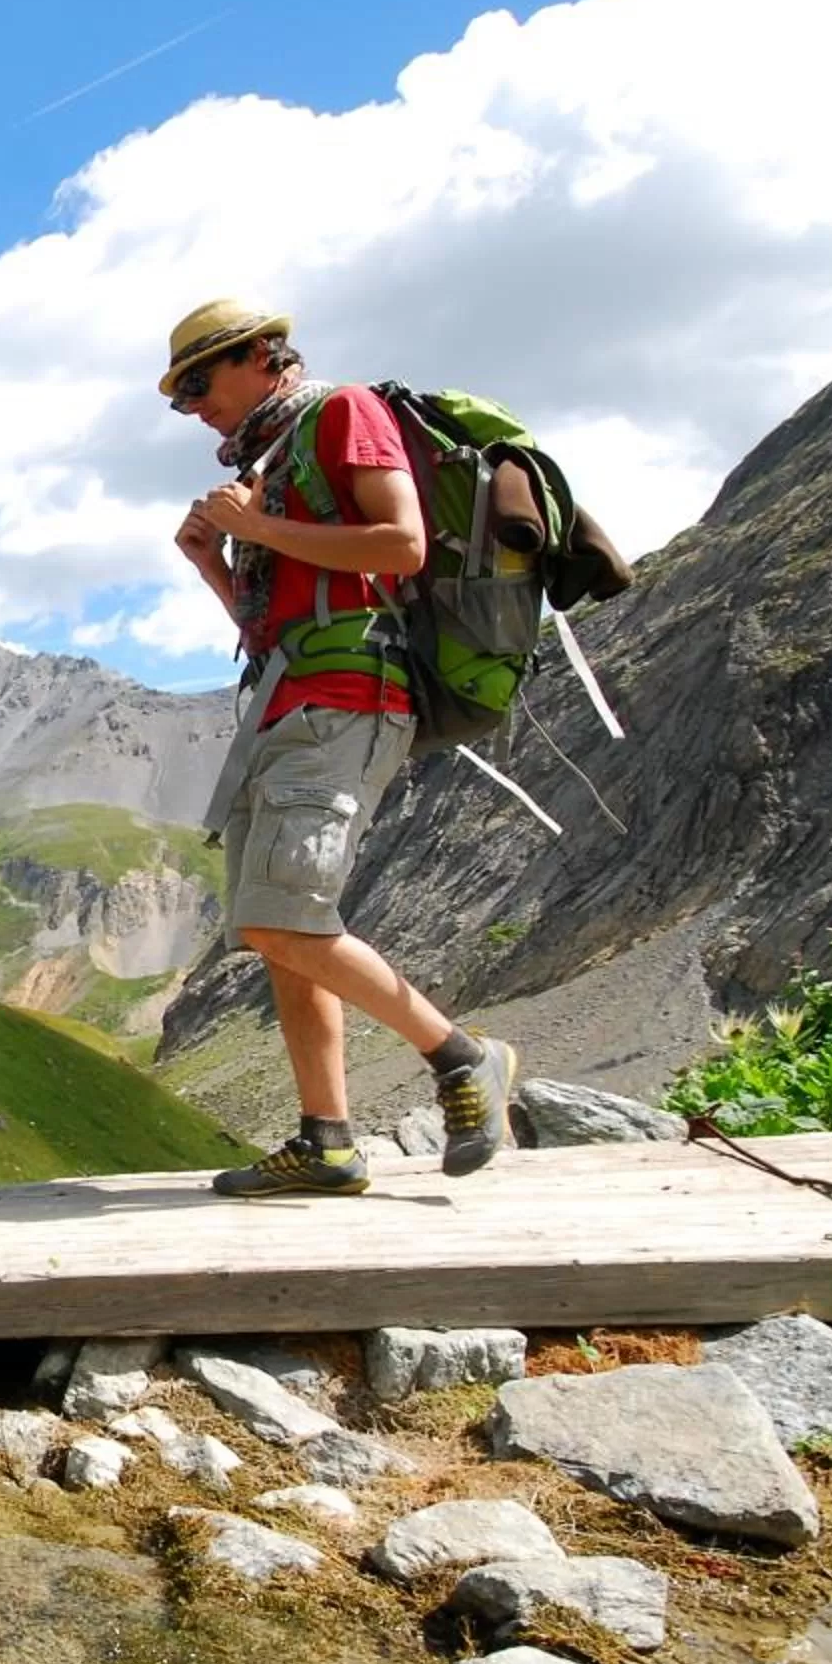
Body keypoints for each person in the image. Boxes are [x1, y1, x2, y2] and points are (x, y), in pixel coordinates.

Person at [161, 299, 518, 1197]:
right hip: (287, 700)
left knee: (284, 915)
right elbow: (268, 625)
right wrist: (216, 561)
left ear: (259, 355)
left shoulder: (342, 412)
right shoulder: (269, 464)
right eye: (179, 397)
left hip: (347, 697)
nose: (194, 407)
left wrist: (255, 531)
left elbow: (402, 545)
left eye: (199, 383)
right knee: (279, 932)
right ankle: (326, 1140)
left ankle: (462, 1056)